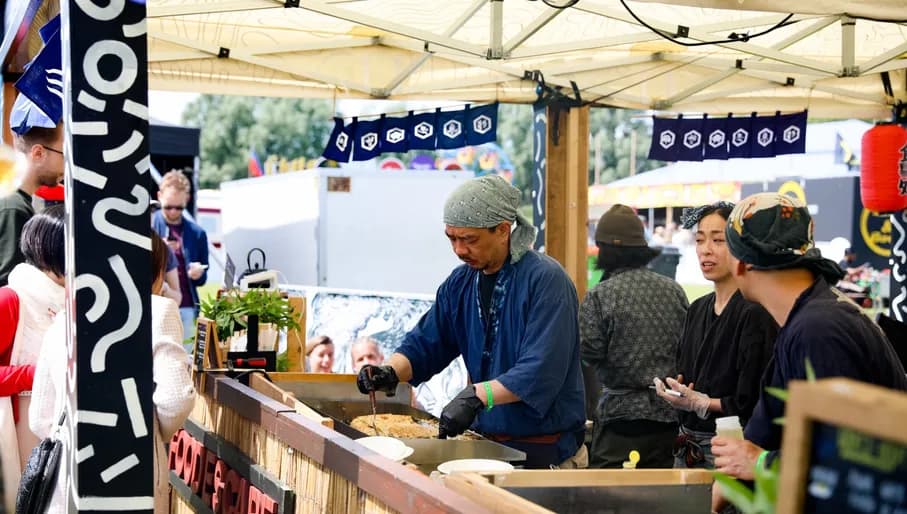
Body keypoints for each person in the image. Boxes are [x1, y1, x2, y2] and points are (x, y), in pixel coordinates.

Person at [356, 175, 587, 469]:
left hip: (543, 452)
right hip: (486, 444)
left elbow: (540, 371)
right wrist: (389, 371)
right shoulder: (461, 283)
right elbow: (428, 342)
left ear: (503, 230)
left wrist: (477, 395)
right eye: (451, 238)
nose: (459, 250)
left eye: (469, 239)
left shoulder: (546, 281)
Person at [710, 193, 907, 488]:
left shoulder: (819, 330)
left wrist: (760, 462)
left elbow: (846, 455)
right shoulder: (805, 319)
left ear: (742, 264)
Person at [30, 230, 196, 514]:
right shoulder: (157, 310)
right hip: (133, 476)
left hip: (66, 485)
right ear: (155, 271)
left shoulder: (66, 315)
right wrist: (150, 433)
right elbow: (175, 400)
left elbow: (40, 418)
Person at [653, 202, 777, 469]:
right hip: (687, 443)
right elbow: (687, 372)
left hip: (731, 446)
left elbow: (752, 399)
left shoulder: (755, 312)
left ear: (740, 245)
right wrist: (679, 391)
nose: (705, 250)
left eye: (718, 240)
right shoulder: (698, 307)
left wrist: (703, 403)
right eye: (699, 240)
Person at [580, 204, 688, 468]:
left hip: (619, 418)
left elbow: (587, 351)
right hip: (668, 415)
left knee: (610, 498)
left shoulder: (600, 295)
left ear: (604, 249)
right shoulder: (674, 291)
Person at [0, 206, 65, 513]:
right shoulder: (12, 299)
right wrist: (39, 374)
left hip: (51, 442)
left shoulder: (71, 303)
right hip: (12, 438)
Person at [0, 95, 64, 286]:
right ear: (38, 153)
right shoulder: (13, 208)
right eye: (64, 155)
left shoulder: (13, 202)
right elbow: (10, 287)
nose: (66, 165)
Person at [152, 170, 209, 343]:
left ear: (187, 200)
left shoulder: (197, 233)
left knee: (188, 357)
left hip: (188, 305)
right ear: (159, 196)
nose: (173, 212)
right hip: (160, 303)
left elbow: (203, 279)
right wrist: (159, 249)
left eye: (179, 207)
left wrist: (198, 274)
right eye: (168, 206)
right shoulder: (150, 226)